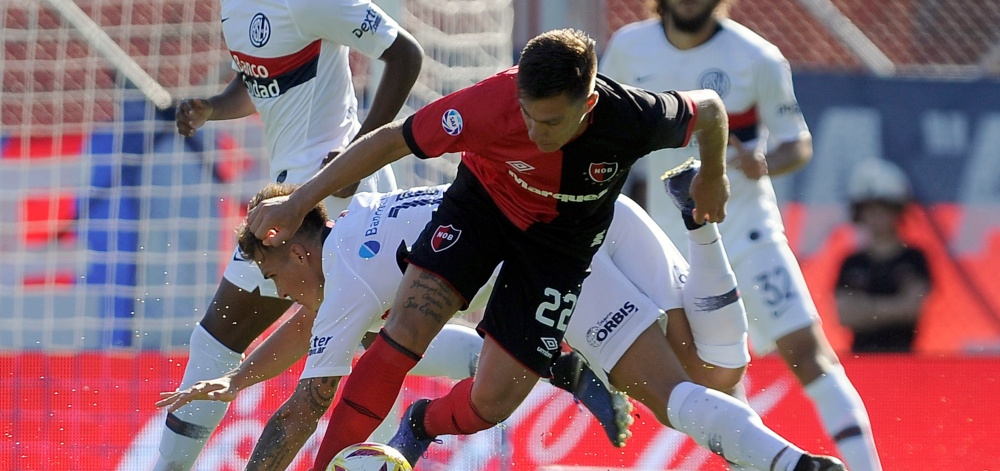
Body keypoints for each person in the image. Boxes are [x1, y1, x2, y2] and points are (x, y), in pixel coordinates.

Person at [245, 28, 842, 471]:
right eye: (527, 115)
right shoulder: (489, 104)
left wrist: (712, 173)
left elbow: (711, 111)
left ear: (588, 103)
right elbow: (391, 143)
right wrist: (300, 202)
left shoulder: (633, 116)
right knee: (404, 331)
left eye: (550, 123)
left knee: (495, 402)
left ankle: (423, 422)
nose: (532, 131)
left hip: (560, 246)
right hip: (479, 211)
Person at [163, 172, 843, 471]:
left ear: (295, 245)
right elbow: (308, 329)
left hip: (559, 263)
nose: (279, 291)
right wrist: (238, 378)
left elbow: (308, 408)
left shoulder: (343, 275)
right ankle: (699, 227)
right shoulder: (350, 240)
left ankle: (789, 463)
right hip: (606, 221)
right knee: (712, 375)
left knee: (683, 395)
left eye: (274, 275)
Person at [154, 0, 425, 470]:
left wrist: (359, 149)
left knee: (217, 340)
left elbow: (405, 54)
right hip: (324, 188)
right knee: (377, 325)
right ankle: (542, 362)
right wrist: (214, 108)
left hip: (316, 196)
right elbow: (267, 77)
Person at [599, 0, 883, 471]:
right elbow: (604, 131)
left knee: (809, 355)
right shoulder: (629, 50)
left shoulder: (755, 57)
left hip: (751, 237)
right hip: (677, 248)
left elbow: (796, 142)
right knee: (721, 380)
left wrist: (763, 162)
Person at [835, 158, 932, 352]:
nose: (876, 217)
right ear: (859, 214)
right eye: (869, 209)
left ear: (897, 212)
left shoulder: (914, 259)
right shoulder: (852, 263)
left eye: (883, 208)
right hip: (860, 361)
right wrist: (893, 307)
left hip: (904, 360)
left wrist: (865, 309)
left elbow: (911, 309)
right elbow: (845, 315)